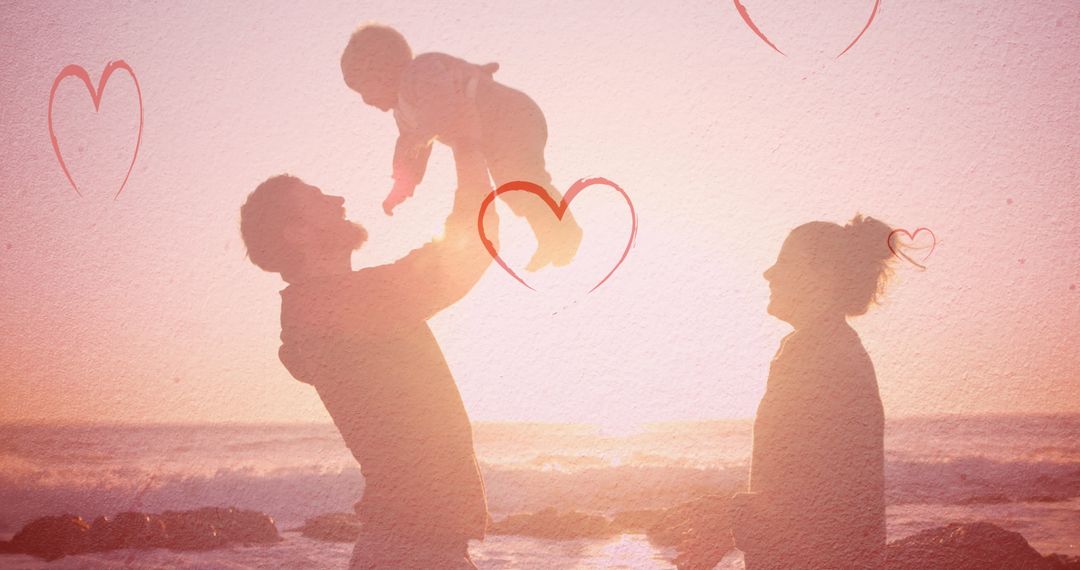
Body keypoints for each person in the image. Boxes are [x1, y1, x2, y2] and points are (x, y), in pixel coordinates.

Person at [239, 147, 498, 569]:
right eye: (318, 199)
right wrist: (466, 143)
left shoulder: (324, 308)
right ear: (296, 233)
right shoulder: (336, 305)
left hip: (411, 545)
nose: (338, 201)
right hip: (413, 550)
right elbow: (471, 249)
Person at [340, 23, 582, 271]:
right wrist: (403, 183)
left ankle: (566, 232)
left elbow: (443, 105)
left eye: (364, 89)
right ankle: (551, 236)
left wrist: (422, 135)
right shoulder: (403, 110)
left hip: (511, 116)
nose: (366, 101)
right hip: (495, 135)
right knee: (513, 188)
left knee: (523, 177)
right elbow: (410, 148)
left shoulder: (420, 71)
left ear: (383, 70)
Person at [731, 214, 893, 569]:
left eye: (785, 262)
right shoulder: (826, 347)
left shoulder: (822, 356)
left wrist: (722, 520)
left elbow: (811, 505)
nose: (769, 273)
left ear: (824, 279)